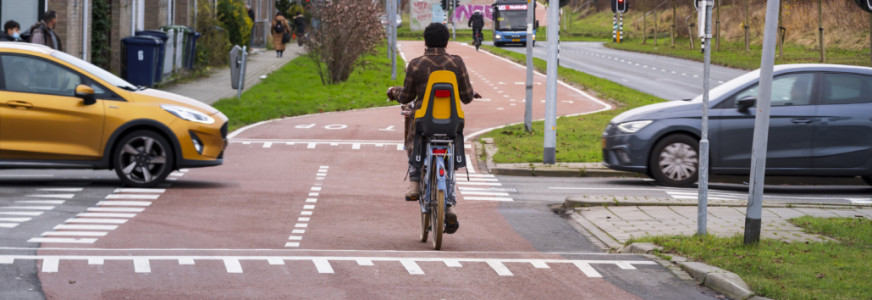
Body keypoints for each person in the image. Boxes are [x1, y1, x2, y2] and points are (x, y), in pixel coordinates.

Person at [386, 23, 481, 232]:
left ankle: (414, 183)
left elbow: (408, 96)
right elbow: (466, 97)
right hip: (451, 122)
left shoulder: (416, 65)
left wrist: (394, 92)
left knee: (413, 137)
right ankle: (450, 205)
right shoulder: (457, 63)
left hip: (425, 122)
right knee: (450, 146)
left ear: (425, 41)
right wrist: (470, 92)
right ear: (447, 42)